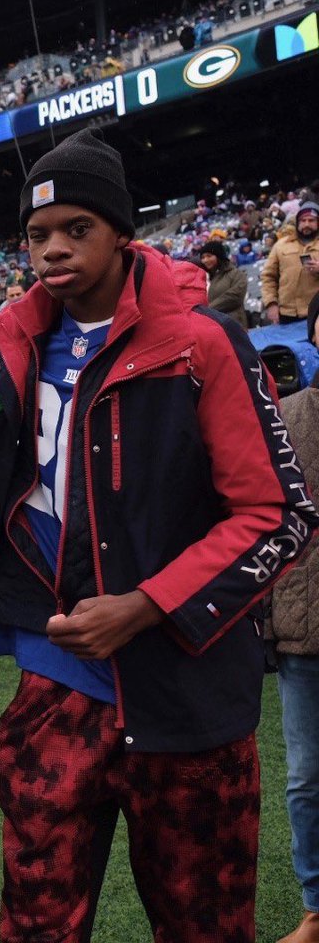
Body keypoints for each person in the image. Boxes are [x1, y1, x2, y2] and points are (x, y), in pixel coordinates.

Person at [0, 128, 318, 943]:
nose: (53, 249)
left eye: (77, 228)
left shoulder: (203, 342)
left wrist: (146, 605)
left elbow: (278, 514)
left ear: (122, 231)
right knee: (35, 930)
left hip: (187, 699)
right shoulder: (9, 345)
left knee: (205, 931)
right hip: (53, 693)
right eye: (37, 234)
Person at [270, 372, 319, 943]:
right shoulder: (283, 413)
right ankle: (316, 909)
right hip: (302, 622)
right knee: (306, 776)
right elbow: (259, 515)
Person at [262, 200, 319, 324]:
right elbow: (268, 276)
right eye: (303, 220)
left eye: (311, 220)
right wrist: (271, 303)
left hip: (317, 313)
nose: (306, 224)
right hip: (288, 314)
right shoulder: (281, 245)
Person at [198, 239, 248, 328]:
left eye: (209, 256)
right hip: (213, 326)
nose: (205, 260)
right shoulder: (204, 277)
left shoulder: (235, 274)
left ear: (219, 256)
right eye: (203, 257)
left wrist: (207, 310)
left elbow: (234, 297)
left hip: (233, 325)